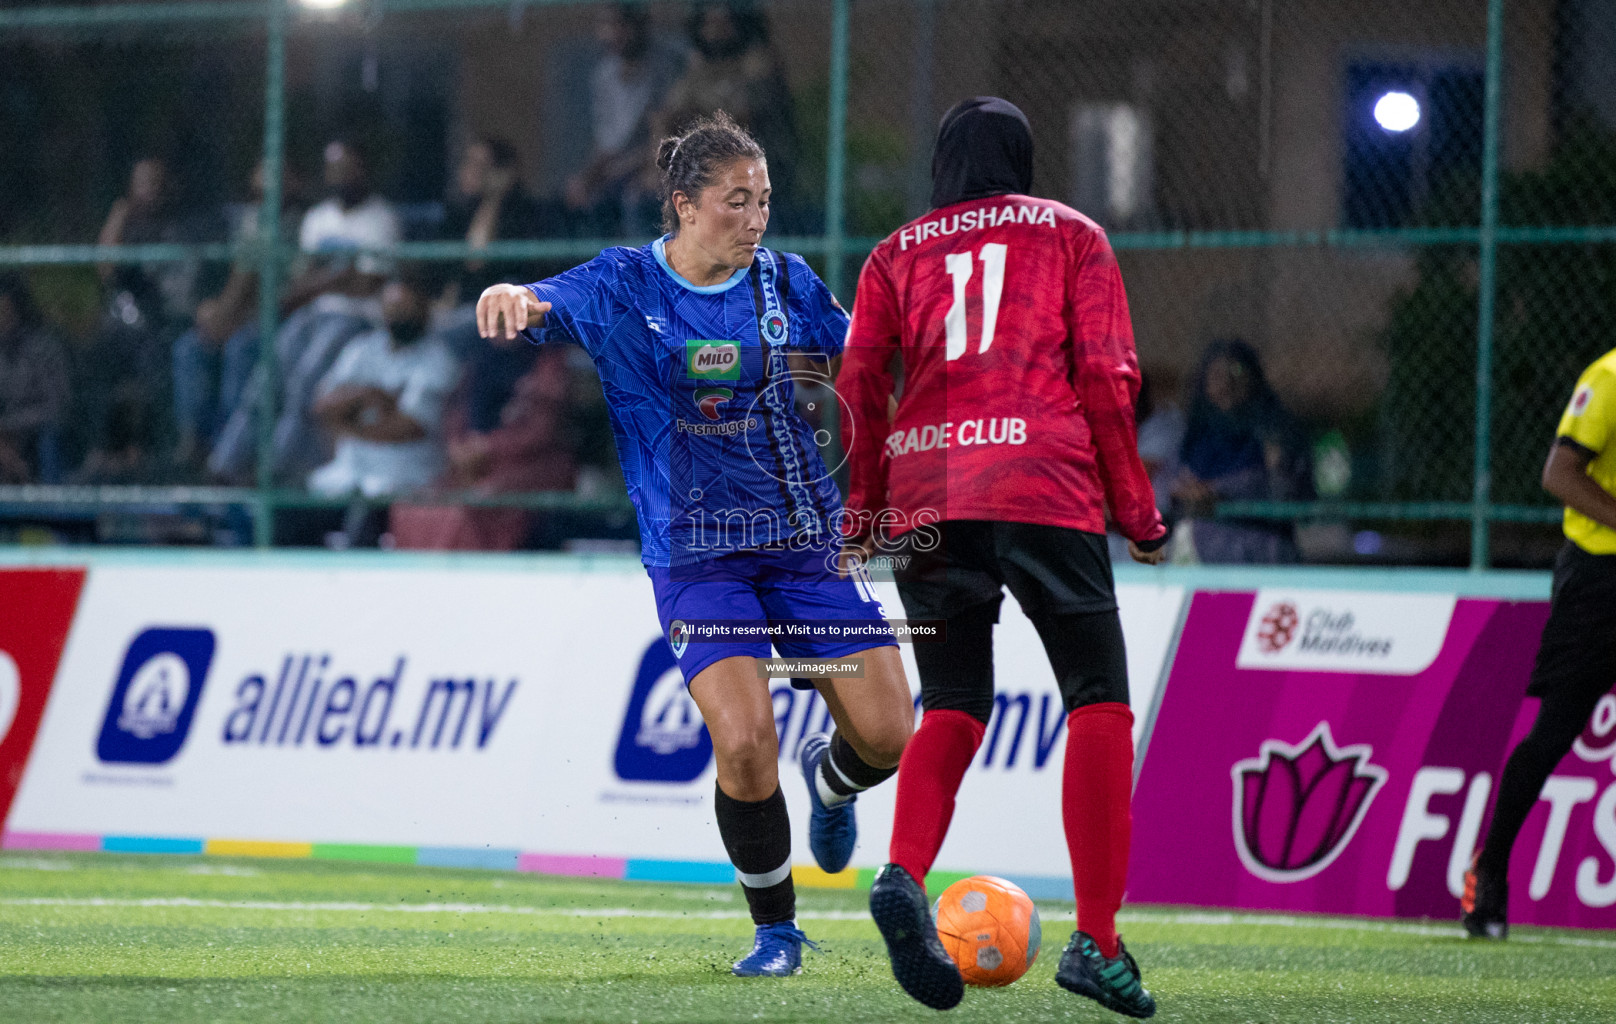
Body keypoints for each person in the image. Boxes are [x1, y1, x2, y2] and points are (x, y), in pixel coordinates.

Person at [476, 111, 913, 977]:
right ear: (683, 204)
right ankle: (777, 931)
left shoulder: (785, 282)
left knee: (891, 735)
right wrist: (512, 299)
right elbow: (541, 303)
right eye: (735, 202)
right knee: (745, 741)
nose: (756, 220)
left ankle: (831, 781)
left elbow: (868, 352)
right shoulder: (622, 284)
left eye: (764, 201)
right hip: (695, 555)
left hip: (805, 542)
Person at [839, 97, 1167, 1017]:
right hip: (1042, 483)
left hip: (926, 490)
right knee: (1098, 704)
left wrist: (863, 510)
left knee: (952, 700)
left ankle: (902, 871)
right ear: (1022, 158)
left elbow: (862, 379)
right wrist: (1137, 511)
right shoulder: (1073, 236)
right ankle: (1097, 944)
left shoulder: (894, 253)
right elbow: (1107, 374)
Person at [1462, 346, 1616, 939]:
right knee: (1555, 732)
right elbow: (1559, 474)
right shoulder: (1606, 378)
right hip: (1599, 583)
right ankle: (1490, 870)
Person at [209, 139, 401, 483]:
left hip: (356, 318)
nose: (340, 177)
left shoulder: (381, 218)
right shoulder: (318, 218)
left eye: (348, 169)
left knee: (304, 381)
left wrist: (325, 280)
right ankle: (226, 464)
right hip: (313, 313)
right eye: (334, 170)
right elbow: (302, 283)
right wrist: (335, 278)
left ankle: (277, 469)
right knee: (265, 379)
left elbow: (369, 285)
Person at [171, 160, 305, 468]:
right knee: (189, 347)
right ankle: (196, 439)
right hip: (242, 311)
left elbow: (293, 290)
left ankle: (230, 445)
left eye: (271, 192)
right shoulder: (250, 220)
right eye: (257, 194)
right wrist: (216, 309)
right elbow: (236, 276)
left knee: (240, 347)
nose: (263, 201)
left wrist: (232, 313)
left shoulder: (302, 223)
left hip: (283, 316)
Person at [308, 269, 459, 502]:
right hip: (346, 476)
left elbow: (409, 427)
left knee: (359, 523)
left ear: (425, 308)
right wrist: (371, 395)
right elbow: (323, 406)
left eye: (406, 309)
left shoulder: (438, 359)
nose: (398, 316)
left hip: (405, 480)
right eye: (393, 309)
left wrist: (348, 423)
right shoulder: (363, 348)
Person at [649, 2, 798, 227]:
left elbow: (742, 120)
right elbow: (668, 114)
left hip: (757, 161)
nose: (715, 30)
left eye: (723, 23)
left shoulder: (757, 63)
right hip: (702, 162)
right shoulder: (699, 66)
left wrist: (699, 115)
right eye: (710, 23)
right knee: (640, 195)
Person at [1171, 338, 1312, 564]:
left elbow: (1291, 496)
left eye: (1236, 371)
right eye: (1217, 375)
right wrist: (1189, 495)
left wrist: (1222, 494)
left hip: (1264, 555)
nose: (1226, 383)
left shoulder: (1275, 429)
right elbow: (1176, 489)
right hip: (1204, 558)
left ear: (1253, 378)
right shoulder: (1195, 436)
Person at [564, 3, 684, 235]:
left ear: (640, 27)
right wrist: (587, 178)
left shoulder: (667, 68)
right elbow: (608, 143)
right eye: (607, 25)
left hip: (661, 163)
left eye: (621, 25)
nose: (613, 33)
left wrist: (628, 167)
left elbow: (671, 133)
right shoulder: (604, 75)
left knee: (638, 198)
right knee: (582, 199)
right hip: (617, 168)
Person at [0, 272, 70, 483]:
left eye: (4, 310)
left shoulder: (44, 348)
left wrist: (9, 426)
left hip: (37, 438)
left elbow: (58, 407)